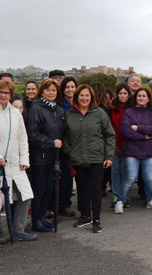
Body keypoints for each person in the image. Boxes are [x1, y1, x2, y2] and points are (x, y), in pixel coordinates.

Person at [0, 79, 36, 242]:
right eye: (0, 92)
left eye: (6, 93)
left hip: (16, 164)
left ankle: (18, 231)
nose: (3, 95)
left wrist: (25, 159)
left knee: (25, 195)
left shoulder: (15, 113)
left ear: (11, 95)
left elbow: (23, 137)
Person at [63, 85, 115, 233]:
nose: (84, 98)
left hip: (97, 158)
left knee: (95, 190)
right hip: (77, 158)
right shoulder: (70, 114)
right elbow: (65, 137)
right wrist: (69, 152)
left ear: (91, 97)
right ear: (77, 97)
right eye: (81, 95)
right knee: (82, 189)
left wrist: (109, 156)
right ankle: (85, 216)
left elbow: (110, 135)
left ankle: (96, 219)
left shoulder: (99, 113)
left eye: (87, 96)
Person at [26, 79, 65, 233]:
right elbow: (33, 134)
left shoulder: (59, 110)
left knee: (49, 189)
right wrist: (51, 143)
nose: (51, 93)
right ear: (42, 91)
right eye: (48, 90)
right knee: (39, 189)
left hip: (53, 157)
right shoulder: (36, 108)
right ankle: (36, 220)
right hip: (39, 157)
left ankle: (42, 217)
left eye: (54, 90)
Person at [116, 88, 152, 213]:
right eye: (139, 96)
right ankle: (120, 201)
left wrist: (138, 128)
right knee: (131, 177)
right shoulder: (129, 112)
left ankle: (150, 200)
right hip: (131, 150)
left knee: (149, 178)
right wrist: (143, 136)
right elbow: (125, 130)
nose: (141, 98)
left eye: (144, 96)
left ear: (148, 99)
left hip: (149, 151)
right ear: (135, 98)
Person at [56, 77, 77, 218]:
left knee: (69, 178)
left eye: (72, 87)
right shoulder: (59, 105)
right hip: (62, 145)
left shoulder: (79, 103)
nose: (70, 90)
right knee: (61, 178)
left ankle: (66, 204)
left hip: (76, 145)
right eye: (67, 87)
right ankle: (57, 206)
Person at [110, 83, 132, 212]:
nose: (122, 96)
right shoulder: (112, 107)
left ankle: (124, 195)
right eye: (120, 93)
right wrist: (114, 145)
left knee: (125, 170)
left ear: (128, 95)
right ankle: (116, 195)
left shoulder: (132, 107)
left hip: (128, 144)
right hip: (114, 143)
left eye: (125, 93)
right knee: (115, 170)